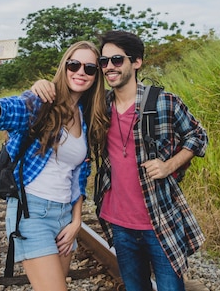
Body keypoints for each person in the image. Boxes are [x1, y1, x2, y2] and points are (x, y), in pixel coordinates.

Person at [32, 30, 208, 291]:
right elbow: (65, 98)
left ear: (136, 62)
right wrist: (40, 85)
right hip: (119, 224)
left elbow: (198, 135)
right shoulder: (98, 106)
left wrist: (169, 165)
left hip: (158, 218)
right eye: (103, 62)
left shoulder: (162, 102)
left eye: (117, 60)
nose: (108, 68)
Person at [0, 39, 109, 291]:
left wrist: (76, 222)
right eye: (74, 65)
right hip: (31, 213)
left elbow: (80, 175)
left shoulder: (87, 115)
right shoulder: (40, 101)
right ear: (64, 66)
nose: (81, 72)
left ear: (96, 75)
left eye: (90, 68)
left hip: (64, 217)